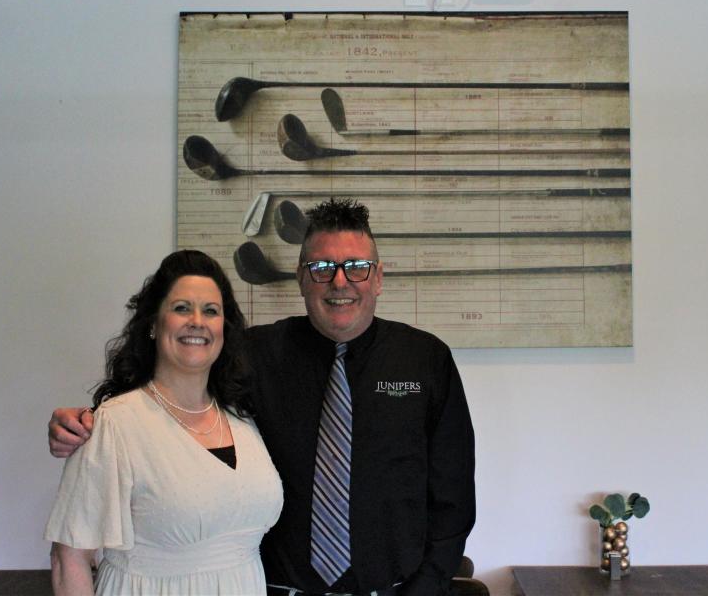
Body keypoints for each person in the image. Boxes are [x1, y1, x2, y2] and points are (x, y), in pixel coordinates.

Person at [50, 199, 476, 596]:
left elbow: (453, 501)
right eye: (323, 266)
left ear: (379, 277)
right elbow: (170, 390)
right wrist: (87, 421)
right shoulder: (253, 355)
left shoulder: (426, 361)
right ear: (302, 277)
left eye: (357, 267)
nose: (340, 281)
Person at [45, 250, 282, 595]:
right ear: (154, 325)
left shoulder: (242, 419)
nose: (197, 321)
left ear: (224, 330)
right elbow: (69, 558)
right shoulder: (115, 424)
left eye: (211, 311)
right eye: (182, 308)